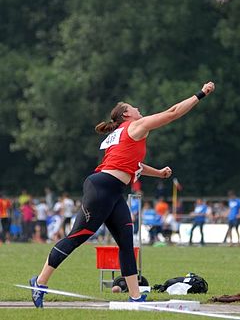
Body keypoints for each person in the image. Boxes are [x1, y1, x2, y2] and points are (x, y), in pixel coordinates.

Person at [29, 81, 215, 308]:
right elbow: (172, 113)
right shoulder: (135, 127)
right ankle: (39, 283)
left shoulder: (120, 133)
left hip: (114, 191)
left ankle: (135, 296)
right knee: (77, 237)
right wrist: (200, 94)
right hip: (102, 188)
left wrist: (159, 173)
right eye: (134, 107)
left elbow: (133, 165)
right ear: (127, 114)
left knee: (127, 243)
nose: (139, 109)